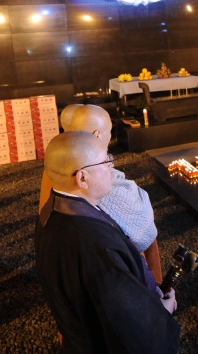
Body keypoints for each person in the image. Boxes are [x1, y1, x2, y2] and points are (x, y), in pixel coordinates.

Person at [35, 131, 186, 354]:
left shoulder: (54, 211)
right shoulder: (93, 245)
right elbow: (127, 326)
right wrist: (162, 313)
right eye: (105, 162)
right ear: (82, 178)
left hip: (82, 352)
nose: (111, 167)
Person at [38, 104, 161, 279]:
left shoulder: (60, 164)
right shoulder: (90, 179)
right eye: (105, 162)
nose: (108, 165)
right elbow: (142, 228)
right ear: (97, 134)